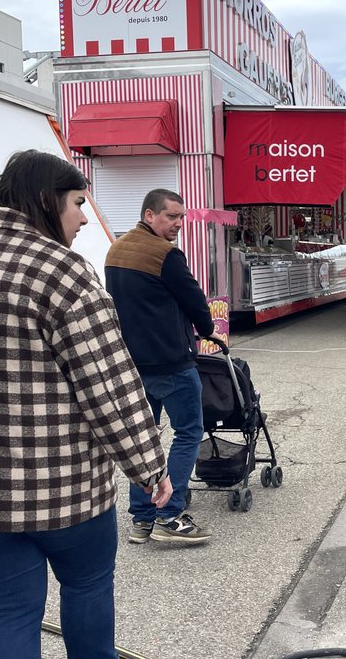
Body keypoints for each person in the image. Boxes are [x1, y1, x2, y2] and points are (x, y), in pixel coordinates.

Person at [0, 150, 172, 659]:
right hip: (63, 488)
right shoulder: (62, 271)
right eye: (76, 202)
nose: (82, 217)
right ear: (47, 202)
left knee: (8, 610)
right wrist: (148, 466)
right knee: (87, 587)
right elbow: (109, 386)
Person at [106, 189, 215, 545]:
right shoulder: (165, 255)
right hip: (170, 360)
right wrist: (208, 329)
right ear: (149, 215)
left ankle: (142, 518)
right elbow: (196, 301)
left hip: (132, 363)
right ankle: (170, 515)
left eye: (182, 217)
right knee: (187, 432)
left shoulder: (116, 250)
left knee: (144, 436)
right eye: (172, 217)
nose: (179, 224)